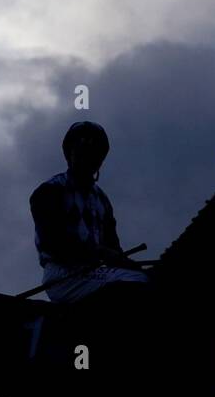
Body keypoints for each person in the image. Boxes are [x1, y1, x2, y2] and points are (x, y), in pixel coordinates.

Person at [29, 121, 149, 303]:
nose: (87, 157)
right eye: (82, 150)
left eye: (94, 153)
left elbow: (113, 248)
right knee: (135, 281)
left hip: (95, 271)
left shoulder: (102, 200)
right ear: (69, 153)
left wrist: (126, 262)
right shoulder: (50, 191)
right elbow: (52, 243)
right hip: (63, 273)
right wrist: (100, 253)